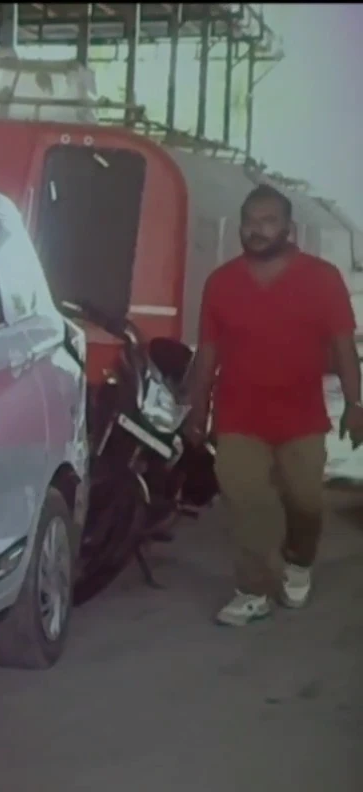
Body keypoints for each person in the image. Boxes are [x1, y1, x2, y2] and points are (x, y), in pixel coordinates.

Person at [184, 184, 361, 627]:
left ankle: (299, 561)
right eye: (249, 221)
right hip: (238, 416)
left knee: (306, 503)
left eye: (268, 221)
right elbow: (208, 352)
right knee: (247, 502)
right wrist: (198, 409)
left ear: (288, 228)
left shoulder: (322, 278)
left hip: (302, 418)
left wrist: (355, 403)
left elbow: (344, 346)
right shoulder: (221, 282)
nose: (256, 230)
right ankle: (253, 590)